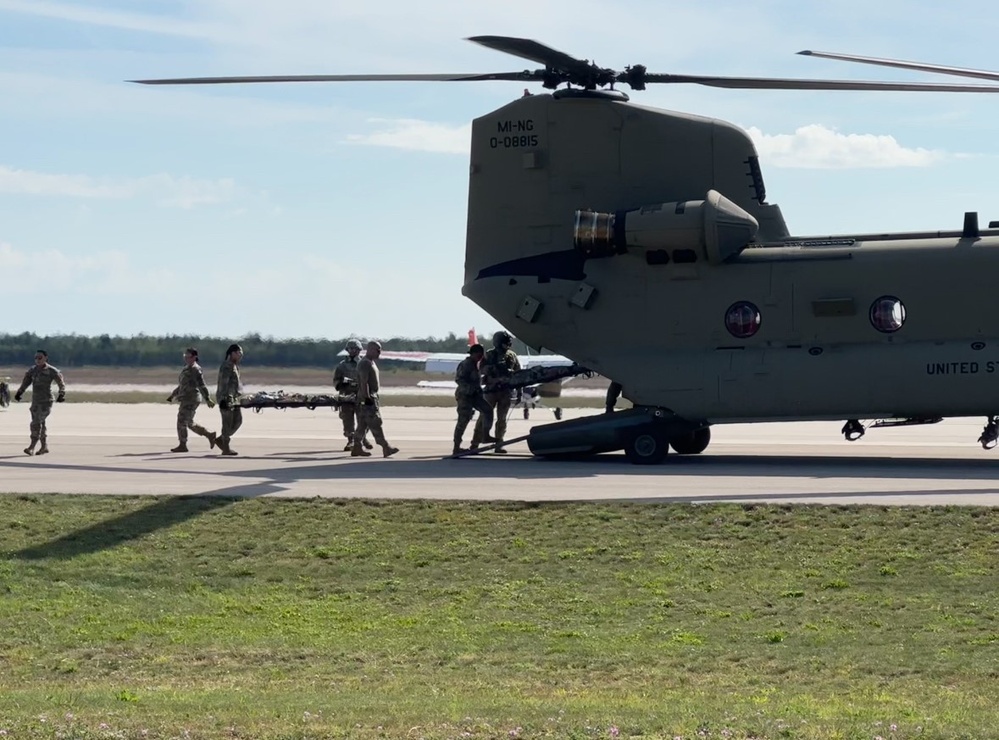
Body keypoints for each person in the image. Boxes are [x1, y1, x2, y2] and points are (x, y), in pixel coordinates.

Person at [472, 330, 520, 453]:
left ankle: (499, 443)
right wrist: (492, 371)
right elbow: (481, 369)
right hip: (491, 391)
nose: (507, 345)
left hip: (505, 392)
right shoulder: (489, 355)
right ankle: (475, 443)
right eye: (505, 343)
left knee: (502, 419)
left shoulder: (512, 356)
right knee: (484, 416)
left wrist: (519, 391)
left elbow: (518, 374)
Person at [351, 340, 399, 458]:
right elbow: (364, 382)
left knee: (362, 425)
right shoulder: (365, 363)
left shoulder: (370, 362)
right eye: (378, 350)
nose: (379, 353)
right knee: (375, 423)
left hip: (369, 397)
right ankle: (386, 447)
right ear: (371, 350)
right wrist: (367, 397)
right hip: (367, 398)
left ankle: (356, 447)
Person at [13, 349, 66, 456]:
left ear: (46, 358)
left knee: (36, 423)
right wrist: (19, 392)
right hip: (35, 401)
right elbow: (26, 382)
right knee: (41, 423)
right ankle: (44, 447)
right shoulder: (32, 370)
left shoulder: (52, 370)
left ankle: (31, 447)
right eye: (36, 358)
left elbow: (61, 383)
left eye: (40, 358)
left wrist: (61, 394)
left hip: (46, 401)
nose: (37, 360)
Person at [166, 347, 217, 452]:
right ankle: (209, 435)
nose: (186, 358)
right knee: (189, 422)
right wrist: (173, 395)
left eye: (188, 357)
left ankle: (183, 444)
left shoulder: (195, 369)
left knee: (181, 421)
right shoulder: (187, 368)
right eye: (184, 356)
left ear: (194, 357)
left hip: (191, 399)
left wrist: (207, 398)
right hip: (186, 398)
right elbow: (182, 385)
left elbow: (201, 385)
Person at [453, 343, 496, 456]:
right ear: (473, 354)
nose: (480, 357)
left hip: (475, 395)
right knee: (463, 420)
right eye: (478, 354)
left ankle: (485, 435)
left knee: (488, 410)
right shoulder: (466, 364)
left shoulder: (476, 365)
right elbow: (459, 380)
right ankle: (456, 447)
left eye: (481, 355)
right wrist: (470, 389)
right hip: (465, 396)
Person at [333, 338, 372, 452]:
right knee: (347, 419)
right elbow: (336, 381)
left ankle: (362, 438)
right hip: (347, 396)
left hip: (362, 395)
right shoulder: (342, 365)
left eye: (355, 348)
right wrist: (343, 383)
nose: (353, 351)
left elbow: (371, 380)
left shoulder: (365, 363)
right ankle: (351, 440)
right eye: (350, 348)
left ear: (359, 350)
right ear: (347, 350)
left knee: (365, 418)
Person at [216, 343, 244, 456]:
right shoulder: (227, 366)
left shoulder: (234, 366)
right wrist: (223, 399)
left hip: (234, 399)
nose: (240, 355)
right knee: (227, 423)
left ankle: (221, 439)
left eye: (241, 353)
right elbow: (223, 384)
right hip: (226, 399)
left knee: (238, 421)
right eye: (238, 353)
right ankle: (225, 448)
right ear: (232, 353)